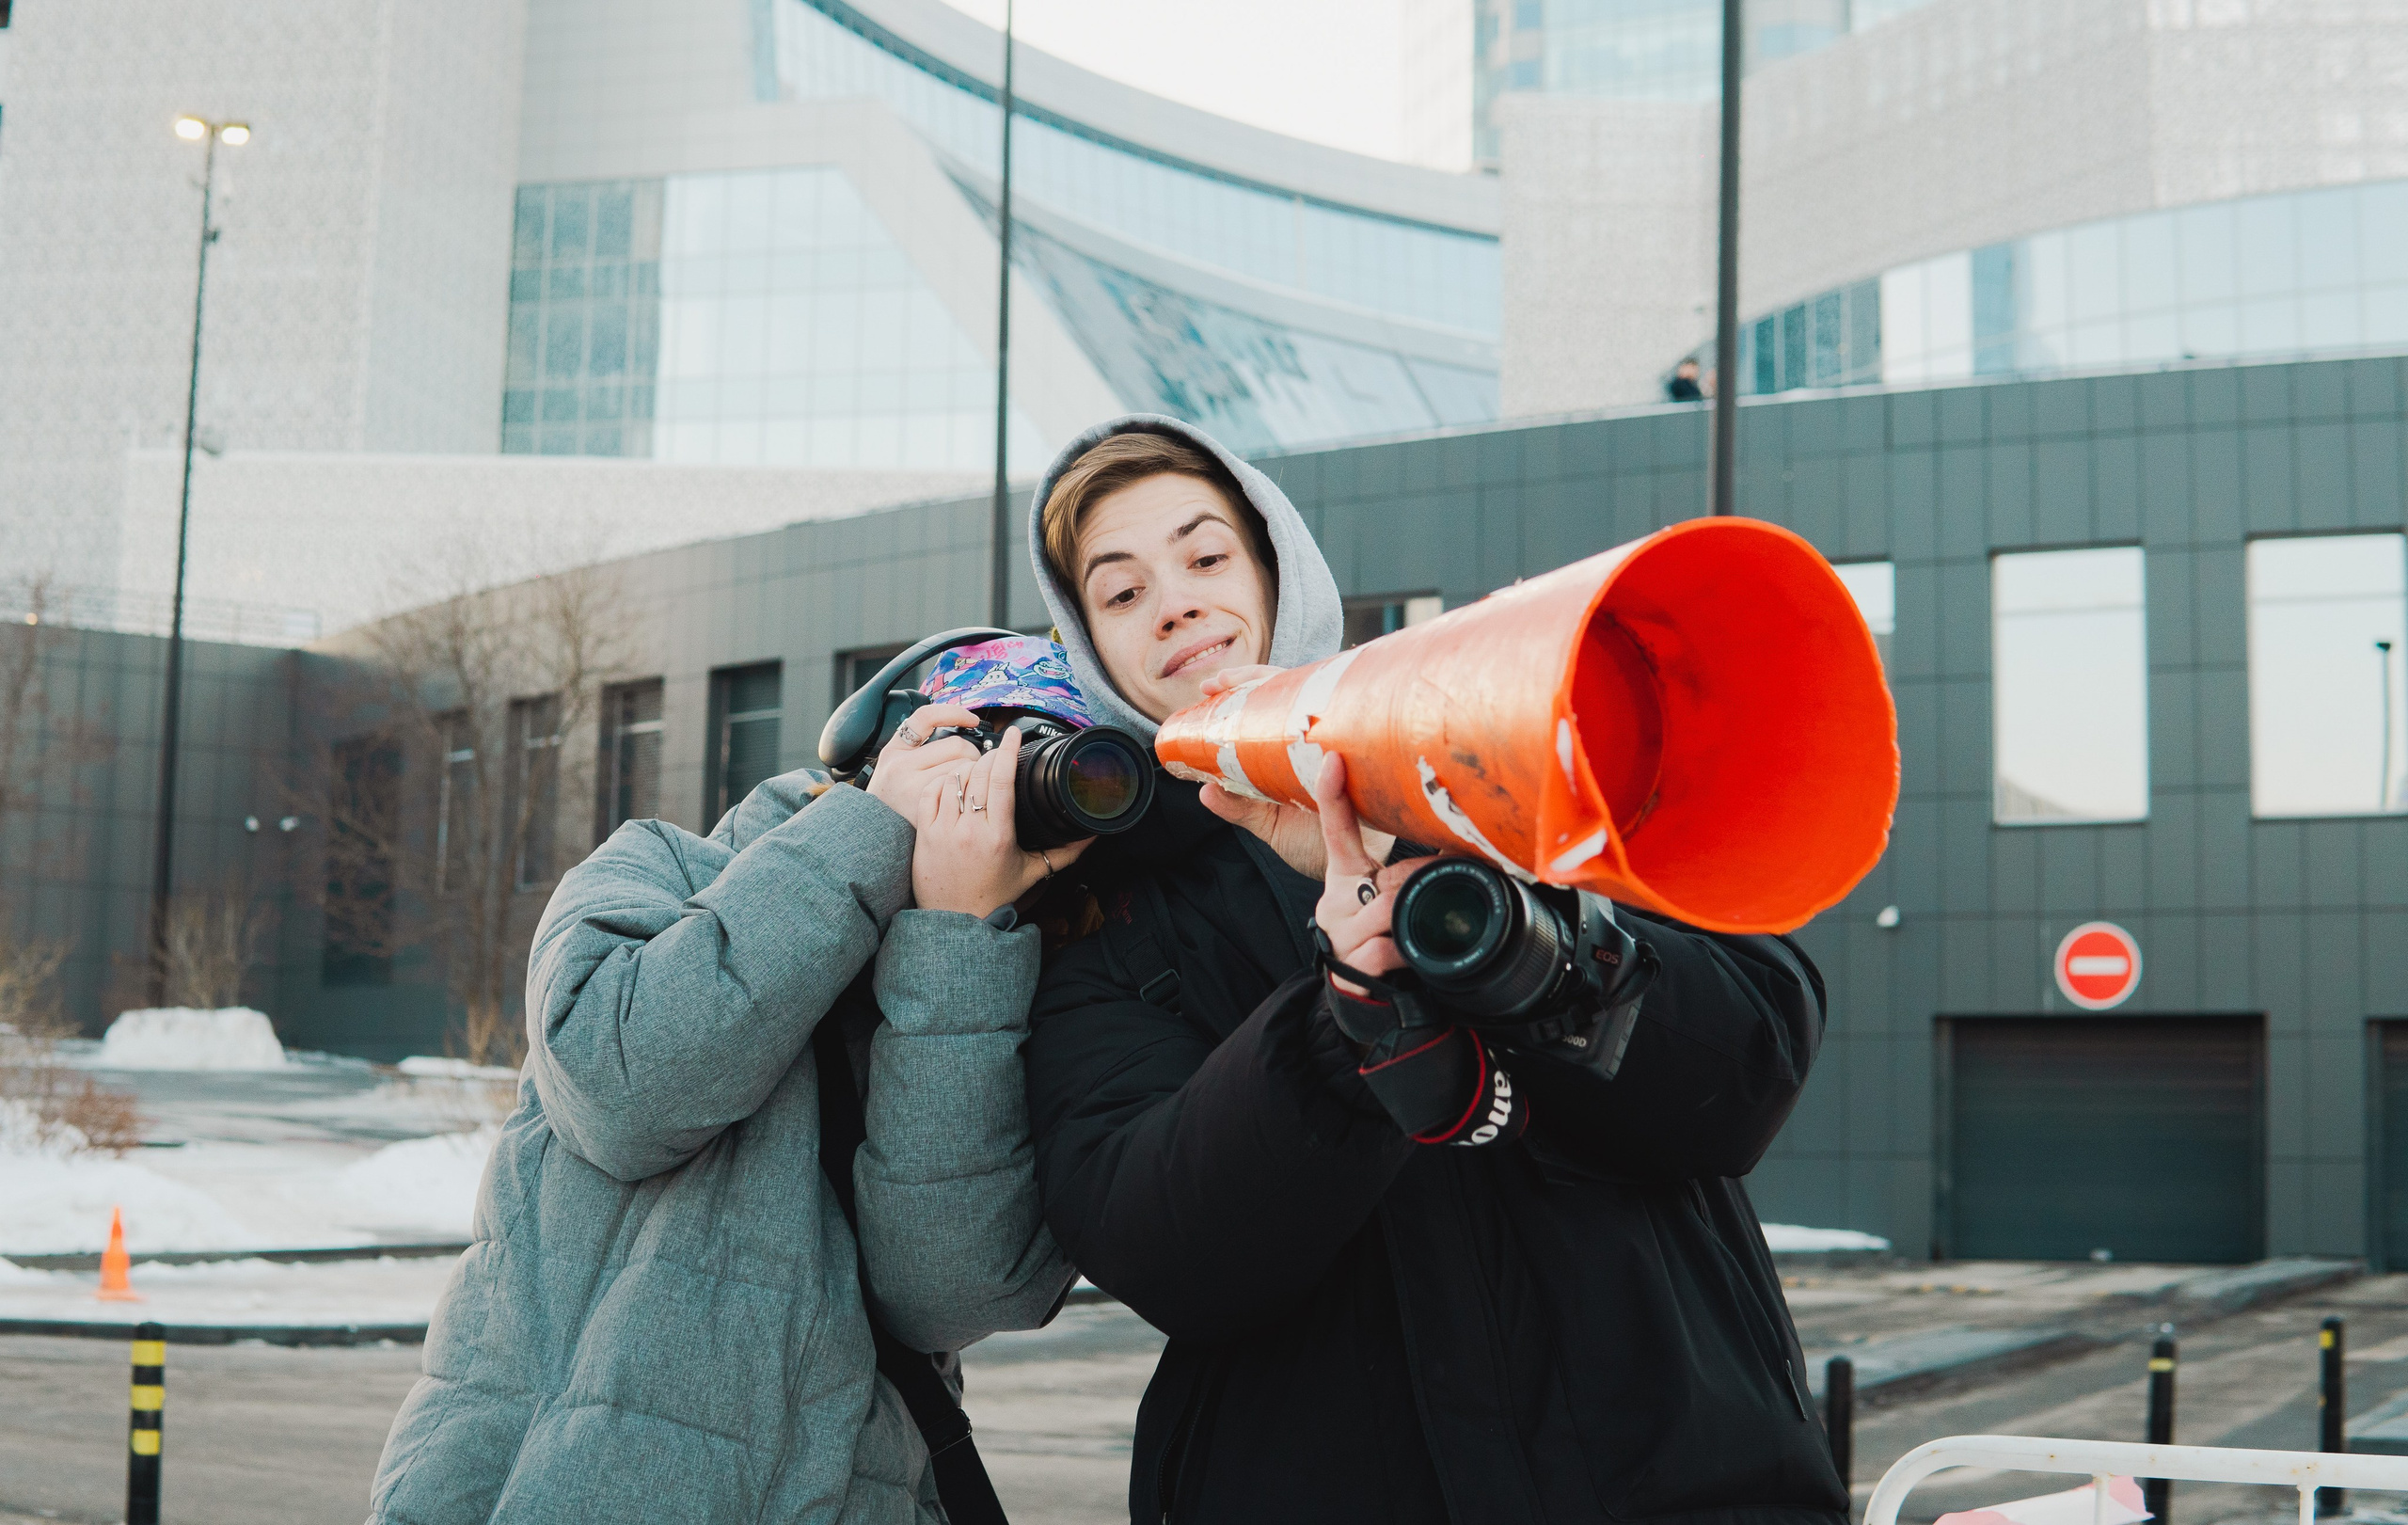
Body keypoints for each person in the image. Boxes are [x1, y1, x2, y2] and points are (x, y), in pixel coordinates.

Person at [1020, 414, 1850, 1524]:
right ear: (1093, 649)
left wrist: (1493, 920)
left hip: (1681, 1480)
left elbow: (1745, 1067)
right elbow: (1163, 1248)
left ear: (1276, 571)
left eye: (1207, 556)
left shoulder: (1511, 762)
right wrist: (1340, 1018)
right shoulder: (1105, 913)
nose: (1175, 602)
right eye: (1121, 593)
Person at [367, 656, 1085, 1523]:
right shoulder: (658, 864)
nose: (985, 799)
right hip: (511, 1489)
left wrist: (957, 939)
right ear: (880, 745)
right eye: (972, 748)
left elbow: (952, 1292)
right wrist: (865, 836)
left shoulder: (1016, 981)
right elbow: (621, 1085)